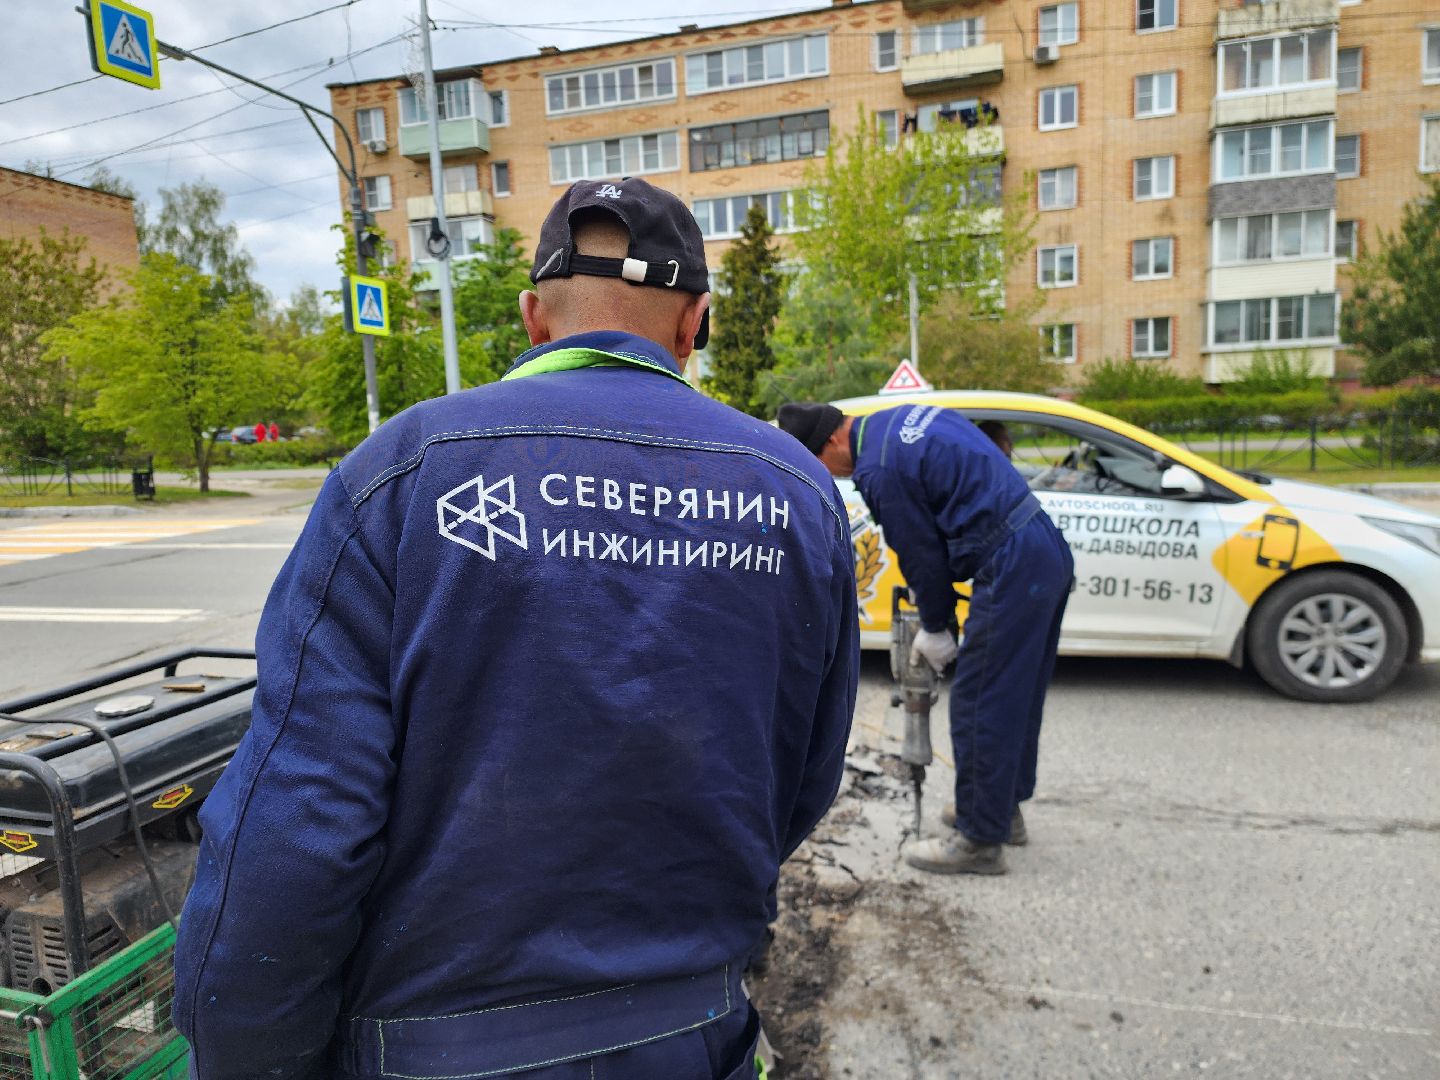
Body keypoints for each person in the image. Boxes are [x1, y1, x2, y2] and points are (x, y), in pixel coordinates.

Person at [174, 179, 859, 1080]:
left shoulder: (405, 473)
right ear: (695, 324)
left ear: (536, 318)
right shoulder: (795, 493)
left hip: (437, 1050)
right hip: (693, 1033)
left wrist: (247, 1053)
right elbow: (803, 776)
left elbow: (294, 828)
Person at [777, 402, 1072, 876]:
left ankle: (979, 839)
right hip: (1042, 546)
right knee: (1014, 696)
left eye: (818, 463)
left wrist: (936, 628)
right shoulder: (905, 417)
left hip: (1012, 560)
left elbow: (922, 555)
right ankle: (1000, 810)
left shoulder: (879, 468)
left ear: (831, 442)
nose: (831, 476)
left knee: (981, 701)